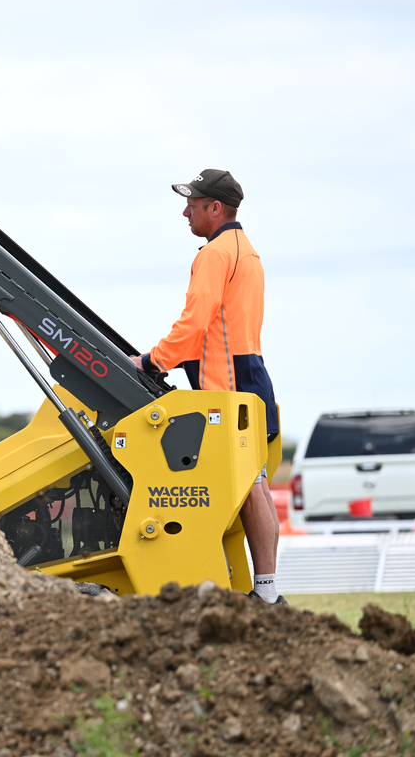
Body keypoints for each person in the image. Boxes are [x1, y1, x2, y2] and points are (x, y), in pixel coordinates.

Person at [132, 169, 284, 605]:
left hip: (225, 386)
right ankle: (267, 590)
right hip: (249, 377)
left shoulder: (215, 254)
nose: (186, 212)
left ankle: (266, 595)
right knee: (255, 486)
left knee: (249, 488)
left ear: (215, 208)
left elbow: (194, 323)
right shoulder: (246, 251)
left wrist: (152, 361)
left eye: (193, 205)